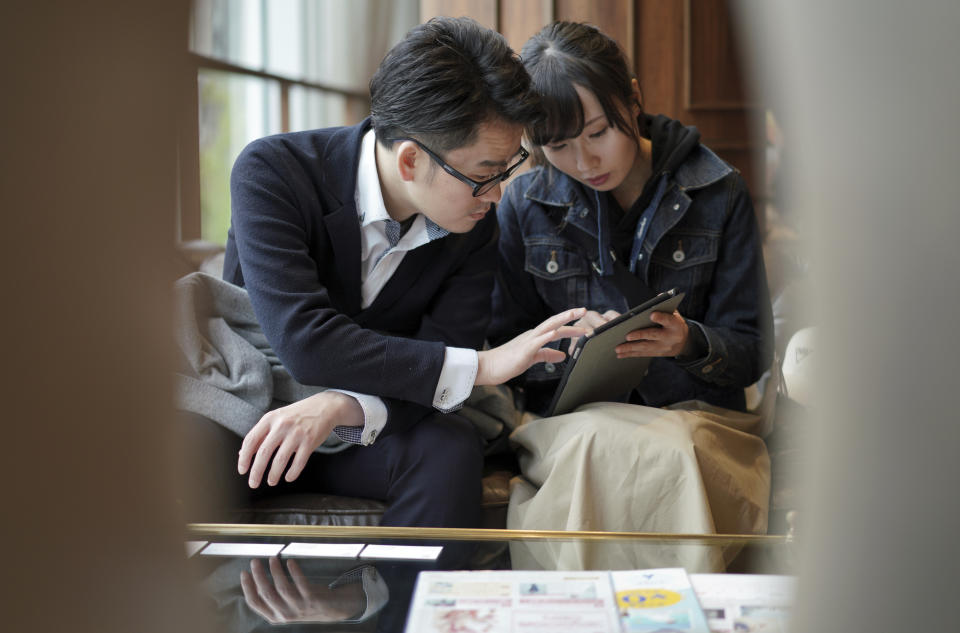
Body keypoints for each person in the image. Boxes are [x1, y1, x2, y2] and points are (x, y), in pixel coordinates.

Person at [176, 16, 585, 529]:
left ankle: (398, 605)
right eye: (485, 174)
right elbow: (306, 343)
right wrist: (484, 366)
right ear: (411, 160)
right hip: (248, 407)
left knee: (450, 449)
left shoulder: (474, 222)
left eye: (508, 169)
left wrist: (341, 406)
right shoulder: (273, 171)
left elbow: (444, 351)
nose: (499, 192)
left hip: (365, 425)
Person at [488, 21, 775, 571]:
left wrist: (689, 342)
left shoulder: (717, 191)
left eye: (598, 132)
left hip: (696, 416)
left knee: (673, 451)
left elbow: (753, 350)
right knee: (598, 445)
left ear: (634, 99)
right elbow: (503, 348)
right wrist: (567, 345)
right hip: (576, 423)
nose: (584, 161)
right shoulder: (525, 202)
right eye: (558, 146)